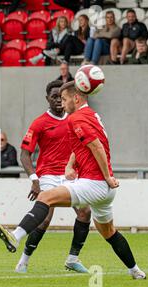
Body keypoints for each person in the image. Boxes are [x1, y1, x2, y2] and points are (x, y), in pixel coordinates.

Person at [0, 81, 146, 280]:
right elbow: (85, 144)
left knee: (46, 198)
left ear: (76, 98)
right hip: (101, 189)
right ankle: (135, 271)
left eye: (64, 99)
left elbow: (97, 146)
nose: (62, 104)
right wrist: (71, 164)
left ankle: (16, 236)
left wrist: (107, 176)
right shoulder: (91, 115)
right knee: (109, 232)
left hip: (95, 183)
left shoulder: (76, 119)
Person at [14, 80, 91, 273]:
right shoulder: (39, 123)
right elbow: (24, 154)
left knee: (85, 213)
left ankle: (72, 259)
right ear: (47, 98)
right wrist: (34, 179)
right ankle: (23, 261)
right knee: (45, 219)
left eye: (61, 96)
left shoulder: (74, 119)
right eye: (54, 96)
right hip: (47, 175)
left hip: (70, 175)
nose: (58, 100)